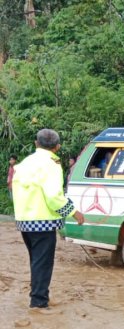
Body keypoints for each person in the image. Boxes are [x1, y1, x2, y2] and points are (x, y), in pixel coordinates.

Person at [12, 130, 85, 311]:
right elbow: (54, 197)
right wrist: (74, 212)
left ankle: (38, 295)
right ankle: (38, 302)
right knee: (43, 263)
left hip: (24, 221)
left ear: (36, 143)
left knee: (36, 261)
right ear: (57, 147)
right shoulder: (52, 164)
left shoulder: (25, 163)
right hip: (42, 221)